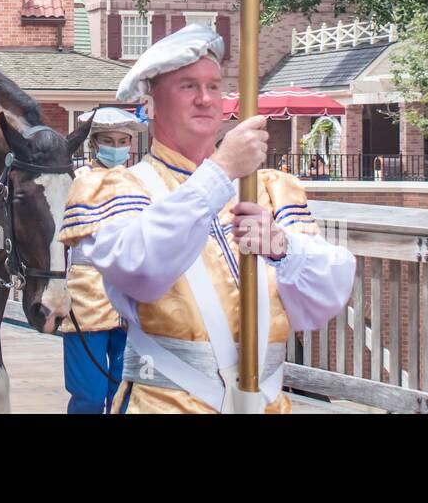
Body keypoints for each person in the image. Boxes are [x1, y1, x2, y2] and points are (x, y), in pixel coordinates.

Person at [59, 25, 356, 414]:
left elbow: (324, 300)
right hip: (165, 405)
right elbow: (141, 270)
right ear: (150, 105)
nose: (205, 99)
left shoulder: (267, 189)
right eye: (187, 86)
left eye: (214, 86)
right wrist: (219, 172)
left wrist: (283, 248)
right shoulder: (119, 187)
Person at [62, 107, 143, 414]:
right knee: (89, 395)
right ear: (94, 143)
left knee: (124, 395)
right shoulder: (75, 181)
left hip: (129, 301)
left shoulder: (139, 182)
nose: (117, 146)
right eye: (109, 140)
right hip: (85, 300)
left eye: (123, 140)